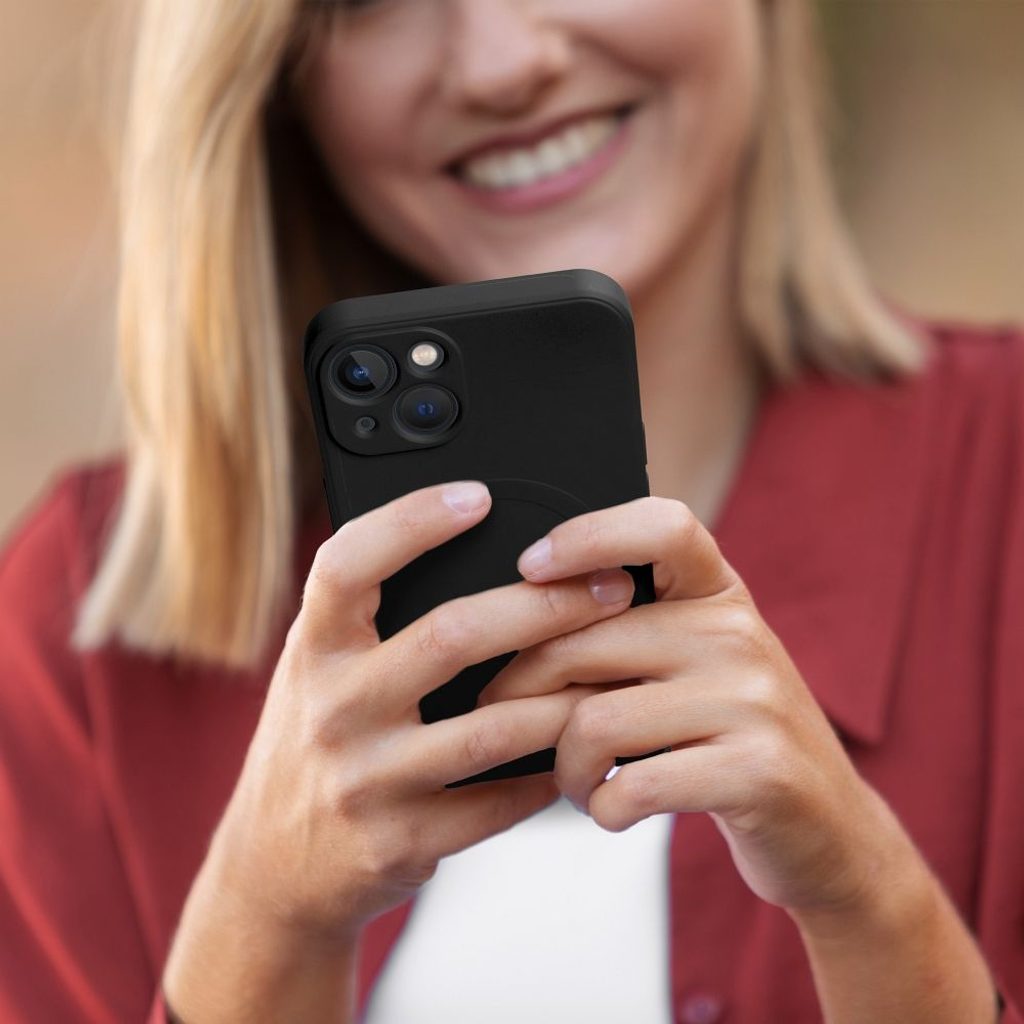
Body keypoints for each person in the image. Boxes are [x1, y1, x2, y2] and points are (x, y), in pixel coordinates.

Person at [1, 0, 1021, 1021]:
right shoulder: (72, 640)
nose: (501, 64)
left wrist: (872, 907)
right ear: (273, 73)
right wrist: (264, 927)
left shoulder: (998, 497)